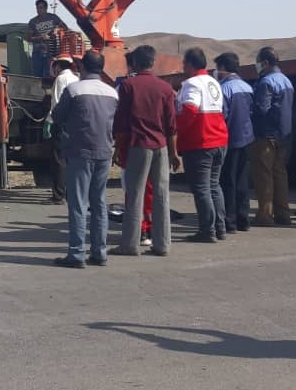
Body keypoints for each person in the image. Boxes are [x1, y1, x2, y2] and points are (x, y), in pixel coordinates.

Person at [52, 50, 118, 268]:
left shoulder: (74, 90)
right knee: (99, 203)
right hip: (104, 152)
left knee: (78, 204)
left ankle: (77, 253)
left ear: (82, 67)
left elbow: (57, 116)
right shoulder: (112, 93)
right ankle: (99, 252)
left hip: (79, 152)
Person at [113, 44, 178, 256]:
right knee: (161, 195)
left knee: (135, 195)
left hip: (139, 145)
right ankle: (162, 244)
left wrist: (118, 148)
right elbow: (171, 125)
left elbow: (121, 122)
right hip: (161, 146)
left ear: (134, 62)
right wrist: (174, 153)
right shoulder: (165, 88)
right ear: (152, 62)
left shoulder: (128, 86)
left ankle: (130, 245)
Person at [176, 48, 229, 242]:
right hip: (219, 139)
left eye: (184, 63)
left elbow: (190, 110)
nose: (183, 67)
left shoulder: (192, 83)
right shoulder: (213, 82)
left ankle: (207, 231)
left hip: (201, 142)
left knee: (202, 189)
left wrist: (176, 128)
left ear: (190, 64)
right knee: (214, 186)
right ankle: (220, 228)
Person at [250, 46, 294, 226]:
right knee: (279, 173)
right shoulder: (286, 80)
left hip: (266, 134)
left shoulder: (266, 82)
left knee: (263, 174)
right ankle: (283, 213)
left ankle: (265, 215)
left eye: (258, 62)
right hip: (283, 133)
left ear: (265, 63)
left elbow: (261, 109)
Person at [214, 52, 254, 233]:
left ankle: (229, 221)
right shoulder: (247, 87)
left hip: (229, 139)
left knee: (227, 181)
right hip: (246, 138)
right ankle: (243, 219)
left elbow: (222, 115)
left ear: (223, 68)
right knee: (242, 180)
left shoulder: (223, 89)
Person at [47, 56, 80, 203]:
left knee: (58, 159)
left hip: (61, 123)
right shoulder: (76, 79)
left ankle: (58, 194)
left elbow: (56, 102)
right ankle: (70, 192)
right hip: (74, 124)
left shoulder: (60, 79)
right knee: (71, 159)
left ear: (58, 66)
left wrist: (49, 121)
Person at [27, 0, 67, 78]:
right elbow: (28, 38)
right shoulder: (33, 21)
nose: (38, 10)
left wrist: (57, 29)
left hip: (52, 53)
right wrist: (40, 38)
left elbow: (65, 28)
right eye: (37, 8)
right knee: (37, 76)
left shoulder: (53, 17)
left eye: (41, 8)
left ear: (46, 8)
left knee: (49, 75)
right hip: (38, 53)